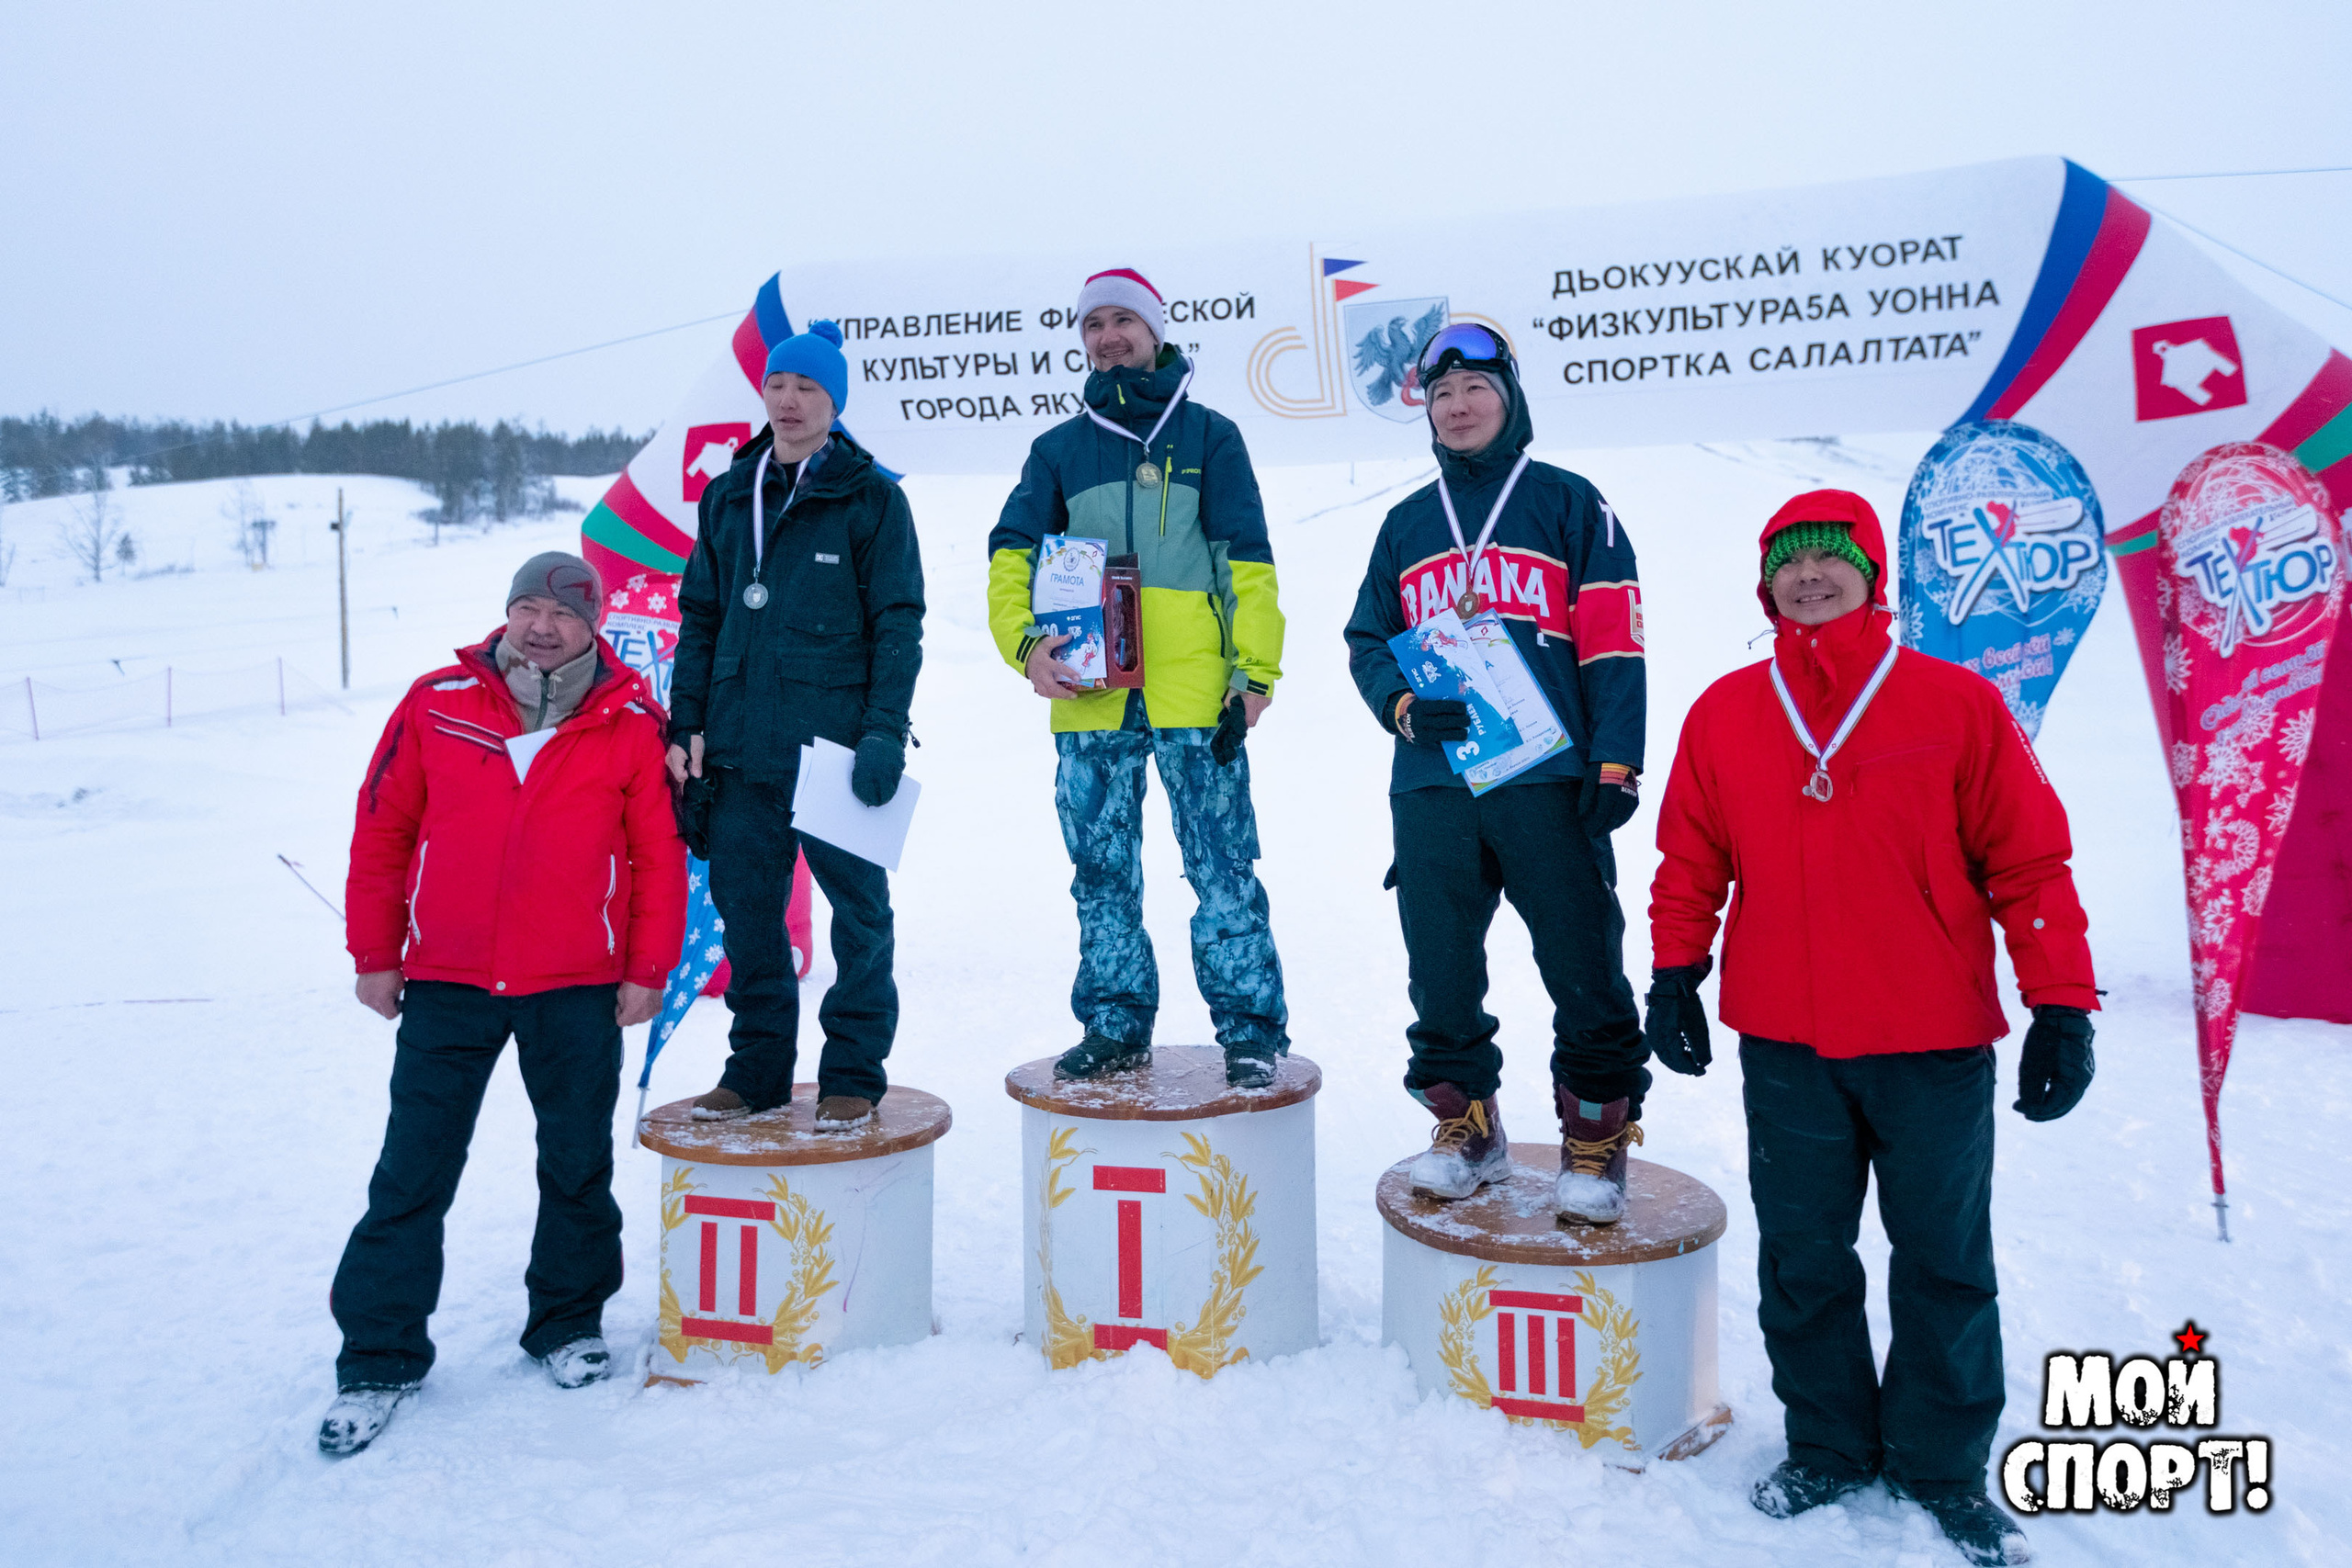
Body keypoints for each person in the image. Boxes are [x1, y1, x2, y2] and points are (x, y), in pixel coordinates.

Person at [1644, 490, 2098, 1566]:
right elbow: (1690, 861)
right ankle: (1830, 1446)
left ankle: (1941, 1465)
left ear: (1870, 574)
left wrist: (2062, 1006)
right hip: (1788, 1046)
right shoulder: (1726, 711)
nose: (1810, 577)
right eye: (1789, 562)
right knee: (1805, 1256)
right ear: (1767, 585)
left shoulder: (1954, 703)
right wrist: (1674, 974)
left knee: (1943, 1260)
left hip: (1931, 1039)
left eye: (1830, 559)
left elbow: (2027, 863)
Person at [325, 551, 686, 1456]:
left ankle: (566, 1323)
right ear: (507, 612)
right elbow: (384, 827)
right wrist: (375, 952)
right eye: (526, 606)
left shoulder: (632, 719)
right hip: (448, 980)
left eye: (562, 613)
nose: (540, 626)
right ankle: (379, 1356)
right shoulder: (438, 699)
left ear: (592, 623)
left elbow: (658, 858)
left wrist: (646, 969)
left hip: (574, 985)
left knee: (574, 1165)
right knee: (412, 1171)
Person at [1343, 323, 1649, 1223]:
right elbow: (1367, 641)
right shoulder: (1405, 525)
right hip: (1434, 786)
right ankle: (1466, 1130)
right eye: (1441, 397)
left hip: (1548, 778)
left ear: (1509, 400)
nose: (1458, 407)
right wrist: (1401, 705)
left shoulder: (1567, 503)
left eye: (1475, 389)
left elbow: (1614, 641)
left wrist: (1617, 760)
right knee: (1439, 973)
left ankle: (1593, 1141)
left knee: (1582, 963)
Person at [988, 267, 1290, 1089]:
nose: (1107, 337)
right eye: (1093, 326)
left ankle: (1251, 1030)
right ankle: (1115, 1024)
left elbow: (1248, 566)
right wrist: (1025, 647)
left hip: (1198, 697)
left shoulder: (1209, 437)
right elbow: (1010, 557)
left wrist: (1254, 672)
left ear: (1155, 331)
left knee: (1222, 866)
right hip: (1091, 696)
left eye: (1123, 320)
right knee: (1101, 872)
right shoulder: (1056, 450)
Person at [668, 320, 925, 1132]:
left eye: (808, 387)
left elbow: (898, 623)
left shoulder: (872, 497)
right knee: (747, 913)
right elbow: (701, 617)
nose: (788, 399)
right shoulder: (726, 494)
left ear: (835, 403)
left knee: (859, 917)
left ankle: (852, 1072)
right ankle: (757, 1072)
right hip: (741, 749)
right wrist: (688, 725)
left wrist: (884, 731)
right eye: (779, 384)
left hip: (837, 750)